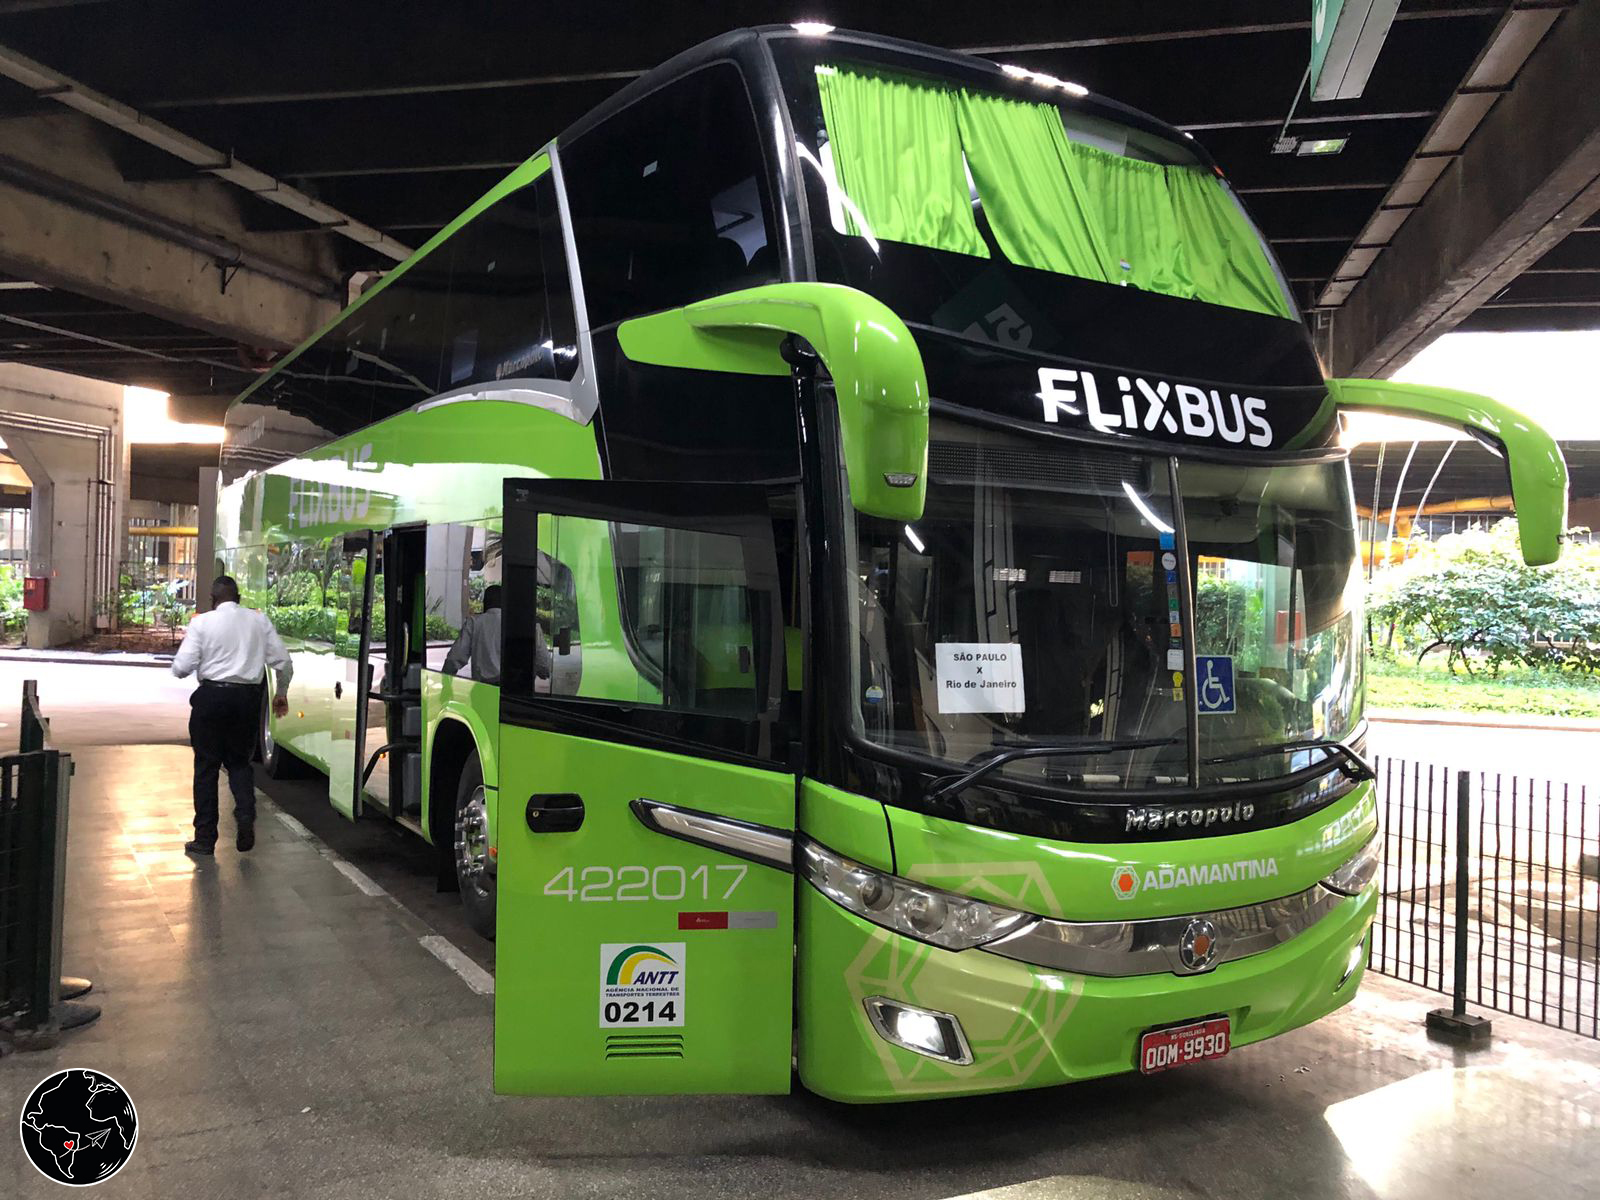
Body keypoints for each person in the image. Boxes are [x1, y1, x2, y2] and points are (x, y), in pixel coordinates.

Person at [170, 575, 293, 855]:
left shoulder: (201, 622)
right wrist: (280, 693)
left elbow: (181, 667)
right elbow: (283, 662)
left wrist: (201, 660)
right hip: (246, 701)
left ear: (213, 600)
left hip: (211, 699)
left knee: (206, 768)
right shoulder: (258, 621)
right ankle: (246, 813)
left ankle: (204, 838)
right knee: (239, 763)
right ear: (238, 599)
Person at [442, 584, 505, 684]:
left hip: (483, 689)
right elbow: (538, 661)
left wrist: (445, 685)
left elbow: (455, 657)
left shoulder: (474, 622)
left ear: (486, 602)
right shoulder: (516, 623)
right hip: (513, 690)